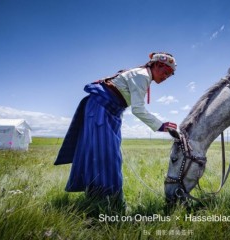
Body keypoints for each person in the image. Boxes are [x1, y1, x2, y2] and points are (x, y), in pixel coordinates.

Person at [54, 52, 177, 208]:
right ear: (156, 65)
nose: (166, 77)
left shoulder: (142, 75)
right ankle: (111, 203)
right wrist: (161, 125)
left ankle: (98, 198)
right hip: (101, 108)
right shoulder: (142, 76)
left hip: (109, 111)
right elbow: (138, 109)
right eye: (165, 72)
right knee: (107, 156)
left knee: (102, 154)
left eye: (169, 75)